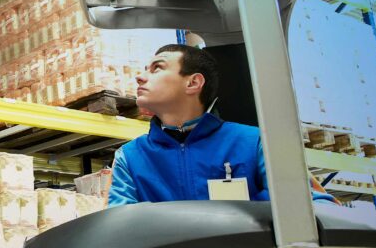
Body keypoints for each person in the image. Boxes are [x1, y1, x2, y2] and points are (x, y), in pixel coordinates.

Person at [108, 44, 332, 206]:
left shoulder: (255, 142)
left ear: (193, 82)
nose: (140, 77)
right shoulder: (130, 157)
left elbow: (316, 206)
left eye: (157, 68)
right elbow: (119, 231)